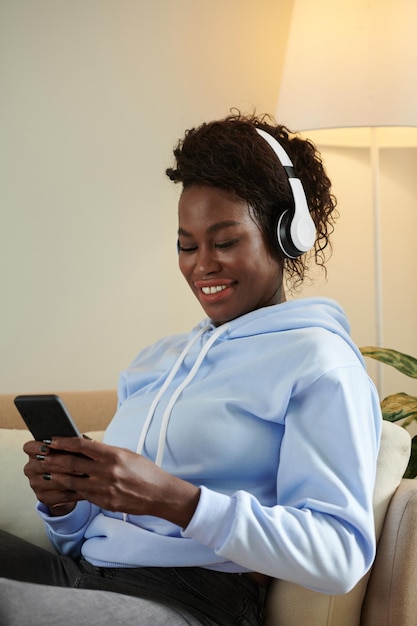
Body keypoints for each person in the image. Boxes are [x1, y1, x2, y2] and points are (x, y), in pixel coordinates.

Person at [0, 112, 381, 625]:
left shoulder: (320, 362)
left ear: (288, 233)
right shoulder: (157, 361)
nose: (202, 265)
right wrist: (65, 504)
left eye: (225, 242)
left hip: (191, 602)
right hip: (87, 578)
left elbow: (338, 555)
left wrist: (177, 501)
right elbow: (83, 538)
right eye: (187, 244)